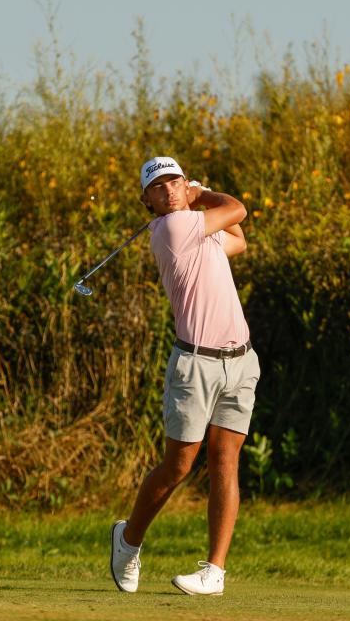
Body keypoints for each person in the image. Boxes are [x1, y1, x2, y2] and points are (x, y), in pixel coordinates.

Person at [110, 156, 260, 596]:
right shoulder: (173, 229)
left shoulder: (198, 230)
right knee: (178, 466)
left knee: (226, 463)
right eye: (159, 188)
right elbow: (237, 210)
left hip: (240, 361)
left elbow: (239, 240)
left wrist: (197, 201)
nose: (170, 190)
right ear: (148, 202)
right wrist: (201, 193)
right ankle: (128, 538)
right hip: (195, 365)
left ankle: (215, 571)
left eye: (175, 182)